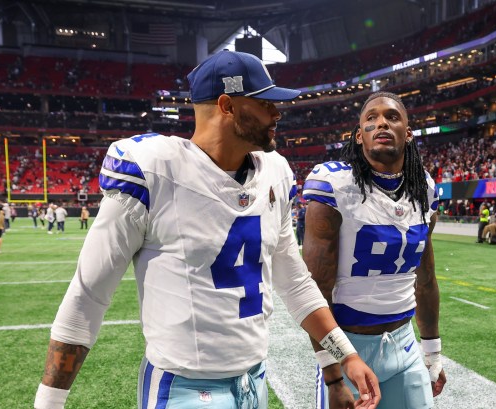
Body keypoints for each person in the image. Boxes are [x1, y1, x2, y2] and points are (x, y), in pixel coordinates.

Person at [34, 50, 380, 409]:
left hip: (253, 382)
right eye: (264, 103)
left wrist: (346, 355)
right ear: (227, 105)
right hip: (183, 388)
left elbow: (295, 283)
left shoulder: (274, 172)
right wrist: (49, 403)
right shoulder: (155, 172)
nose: (276, 113)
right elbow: (88, 295)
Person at [302, 91, 445, 409]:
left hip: (405, 344)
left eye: (392, 117)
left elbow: (425, 279)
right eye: (371, 118)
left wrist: (432, 351)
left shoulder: (424, 188)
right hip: (348, 346)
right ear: (359, 135)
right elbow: (315, 291)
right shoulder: (335, 184)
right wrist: (333, 375)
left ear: (408, 133)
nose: (382, 123)